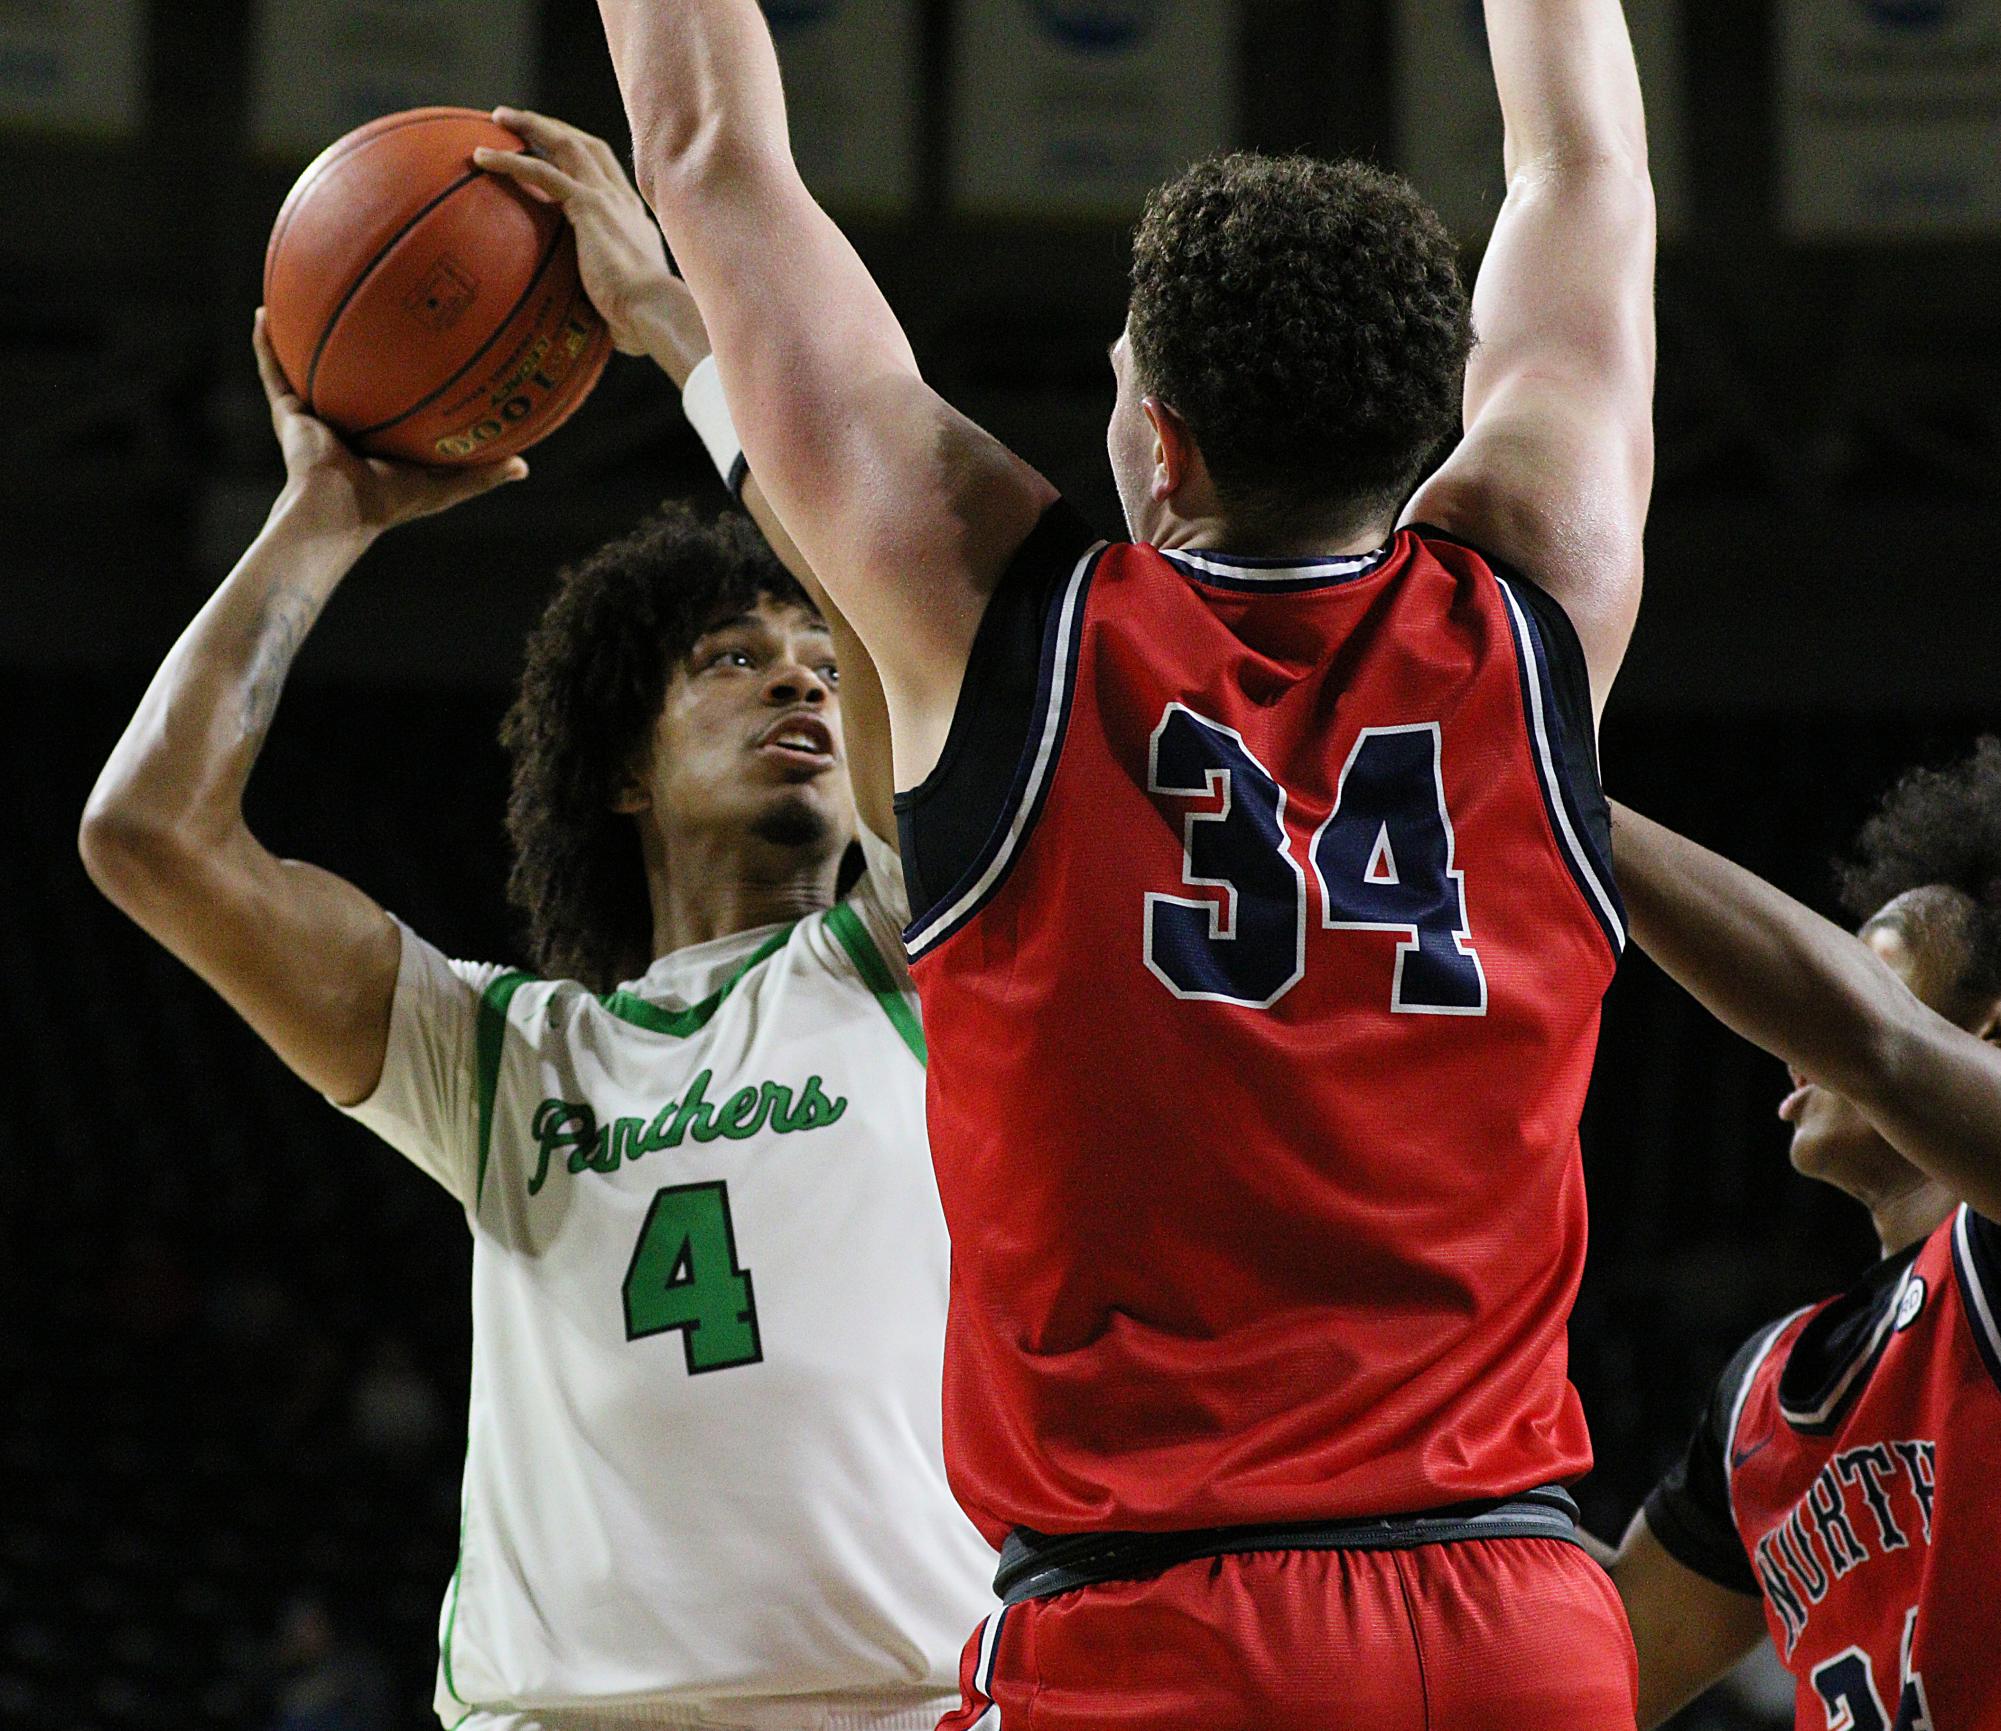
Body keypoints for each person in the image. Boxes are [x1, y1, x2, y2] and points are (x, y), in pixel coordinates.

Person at [596, 0, 1657, 1724]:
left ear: (1158, 441)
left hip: (1165, 1628)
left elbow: (711, 154)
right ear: (1431, 421)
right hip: (1516, 1613)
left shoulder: (999, 628)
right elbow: (1587, 172)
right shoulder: (1544, 592)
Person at [78, 116, 993, 1731]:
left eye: (810, 659)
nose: (794, 672)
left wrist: (665, 320)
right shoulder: (500, 1059)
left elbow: (874, 572)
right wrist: (327, 515)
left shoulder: (936, 956)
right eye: (728, 660)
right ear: (621, 771)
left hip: (904, 1708)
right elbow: (149, 834)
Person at [1605, 750, 2001, 1730]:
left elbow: (1881, 1049)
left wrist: (1549, 780)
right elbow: (1602, 1666)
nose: (1797, 1030)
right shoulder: (1763, 1397)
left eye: (1860, 974)